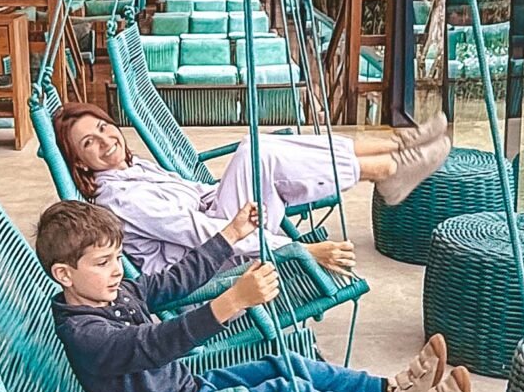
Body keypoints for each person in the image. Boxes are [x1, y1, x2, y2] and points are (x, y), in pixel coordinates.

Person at [37, 200, 473, 392]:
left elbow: (175, 280)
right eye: (102, 263)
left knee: (286, 365)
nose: (117, 270)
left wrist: (230, 234)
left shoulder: (114, 293)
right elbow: (153, 344)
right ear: (64, 274)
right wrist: (232, 302)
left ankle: (389, 391)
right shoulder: (85, 334)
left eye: (117, 258)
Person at [52, 101, 453, 275]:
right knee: (257, 152)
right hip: (210, 264)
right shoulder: (119, 197)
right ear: (80, 163)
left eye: (103, 127)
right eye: (89, 143)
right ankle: (389, 166)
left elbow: (195, 198)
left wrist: (221, 191)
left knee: (264, 151)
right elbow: (200, 233)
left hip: (223, 227)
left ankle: (396, 148)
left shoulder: (131, 166)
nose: (105, 140)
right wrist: (297, 250)